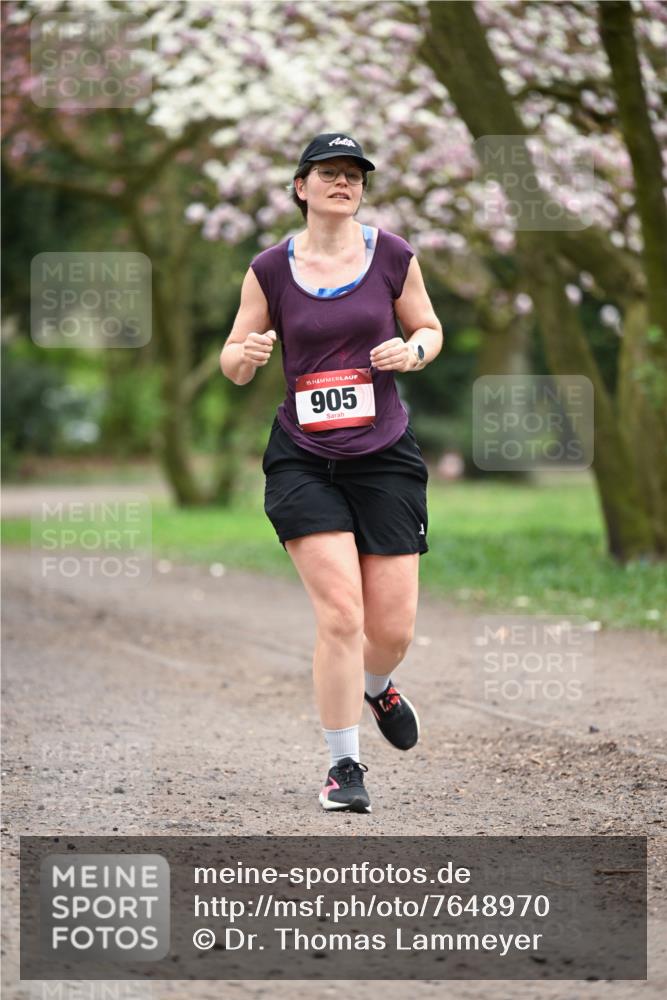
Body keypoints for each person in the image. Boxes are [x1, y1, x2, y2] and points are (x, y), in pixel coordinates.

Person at [220, 132, 443, 814]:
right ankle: (343, 766)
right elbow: (231, 359)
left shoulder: (393, 256)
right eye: (328, 173)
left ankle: (378, 685)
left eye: (353, 174)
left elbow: (429, 328)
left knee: (393, 628)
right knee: (341, 614)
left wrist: (413, 351)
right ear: (301, 187)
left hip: (385, 458)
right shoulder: (269, 270)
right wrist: (249, 353)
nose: (341, 182)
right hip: (303, 459)